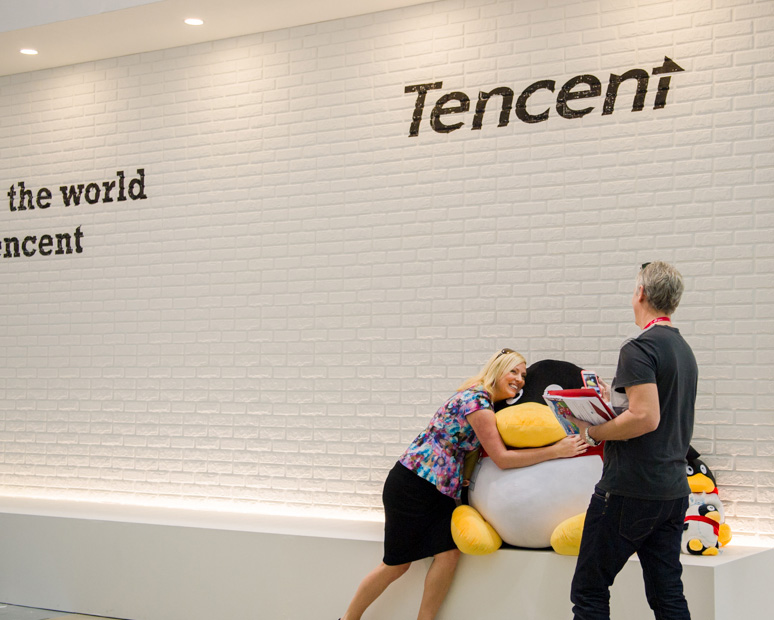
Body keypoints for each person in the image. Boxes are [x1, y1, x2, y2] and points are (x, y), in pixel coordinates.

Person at [339, 348, 587, 620]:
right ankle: (348, 618)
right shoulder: (477, 402)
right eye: (513, 371)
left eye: (524, 375)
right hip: (413, 485)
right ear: (496, 370)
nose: (520, 380)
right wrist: (555, 451)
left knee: (449, 555)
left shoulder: (484, 402)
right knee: (396, 564)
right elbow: (502, 458)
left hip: (440, 490)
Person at [569, 261, 698, 620]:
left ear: (640, 293)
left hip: (629, 490)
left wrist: (592, 431)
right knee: (667, 595)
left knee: (589, 591)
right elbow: (655, 412)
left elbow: (645, 417)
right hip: (672, 491)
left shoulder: (639, 348)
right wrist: (611, 405)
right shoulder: (683, 349)